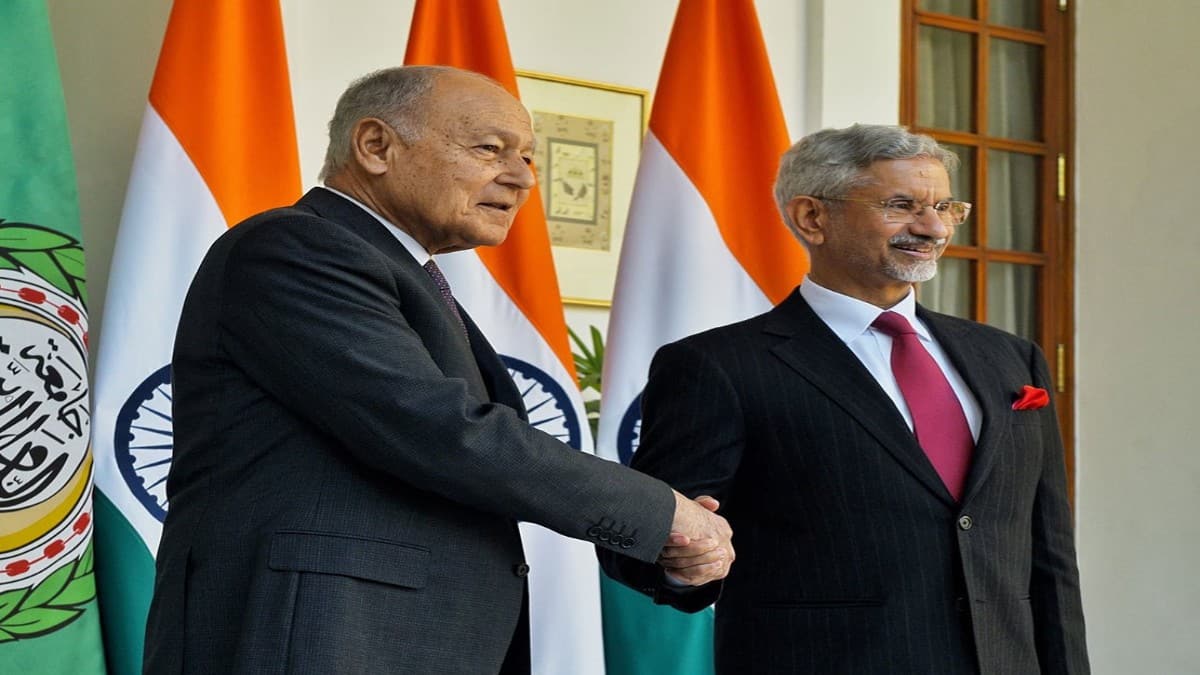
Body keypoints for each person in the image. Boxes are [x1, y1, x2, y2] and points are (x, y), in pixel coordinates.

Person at [143, 65, 733, 675]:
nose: (522, 178)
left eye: (527, 157)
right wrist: (662, 512)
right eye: (489, 148)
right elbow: (439, 430)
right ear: (376, 146)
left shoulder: (406, 275)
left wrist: (668, 554)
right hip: (317, 637)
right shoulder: (296, 248)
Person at [599, 124, 1089, 674]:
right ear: (813, 217)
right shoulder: (718, 366)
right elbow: (646, 535)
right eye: (902, 205)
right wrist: (681, 562)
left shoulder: (1010, 358)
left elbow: (1050, 555)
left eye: (946, 206)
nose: (932, 227)